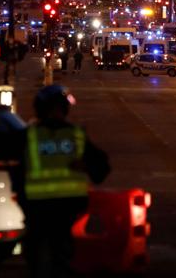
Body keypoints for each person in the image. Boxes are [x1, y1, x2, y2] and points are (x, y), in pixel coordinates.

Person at [16, 85, 110, 278]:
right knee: (61, 254)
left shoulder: (30, 135)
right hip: (67, 206)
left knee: (36, 253)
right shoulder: (75, 135)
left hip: (37, 206)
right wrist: (88, 167)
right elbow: (102, 167)